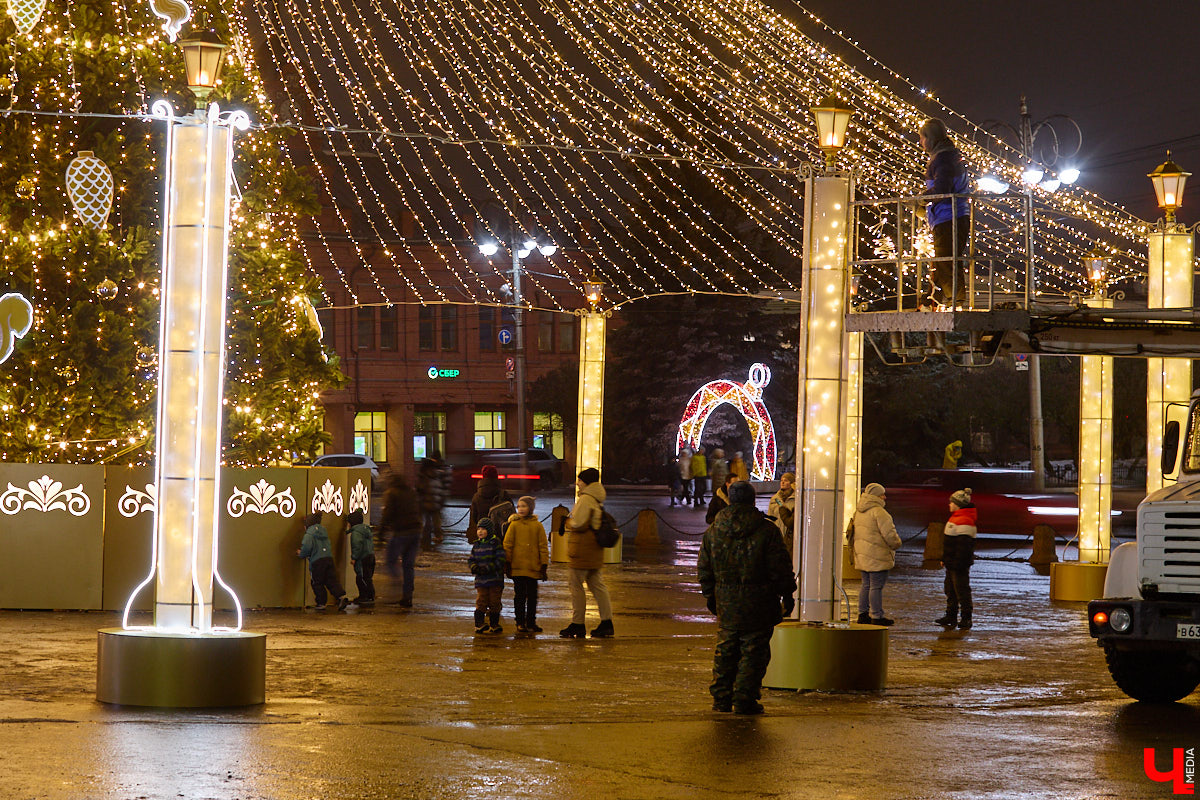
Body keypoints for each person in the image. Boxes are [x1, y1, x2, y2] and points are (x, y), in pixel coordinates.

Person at [698, 481, 797, 715]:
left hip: (726, 599)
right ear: (753, 501)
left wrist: (710, 595)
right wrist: (788, 594)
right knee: (754, 652)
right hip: (760, 601)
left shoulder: (714, 530)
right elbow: (780, 567)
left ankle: (721, 698)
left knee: (726, 649)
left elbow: (704, 568)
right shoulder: (767, 530)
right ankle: (745, 699)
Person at [920, 117, 971, 308]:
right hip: (952, 217)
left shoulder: (943, 159)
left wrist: (922, 199)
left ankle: (953, 300)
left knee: (946, 261)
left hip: (949, 218)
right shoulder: (950, 156)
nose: (921, 142)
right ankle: (934, 298)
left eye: (922, 137)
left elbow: (942, 188)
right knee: (943, 261)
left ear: (930, 138)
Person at [558, 467, 614, 638]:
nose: (577, 483)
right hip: (594, 547)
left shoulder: (586, 499)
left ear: (586, 482)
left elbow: (579, 523)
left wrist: (567, 522)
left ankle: (578, 624)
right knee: (597, 585)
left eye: (580, 480)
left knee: (575, 585)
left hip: (582, 547)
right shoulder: (597, 497)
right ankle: (607, 622)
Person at [851, 483, 902, 626]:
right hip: (877, 555)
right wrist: (897, 544)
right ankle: (877, 616)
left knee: (866, 585)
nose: (885, 497)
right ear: (876, 496)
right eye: (882, 494)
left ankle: (862, 614)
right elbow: (889, 534)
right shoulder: (879, 512)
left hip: (862, 554)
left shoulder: (859, 511)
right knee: (876, 586)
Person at [504, 495, 550, 633]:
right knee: (519, 596)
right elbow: (507, 545)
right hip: (517, 567)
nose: (521, 509)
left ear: (530, 508)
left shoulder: (537, 526)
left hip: (532, 567)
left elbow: (543, 546)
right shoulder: (514, 525)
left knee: (532, 597)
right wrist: (507, 562)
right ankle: (520, 622)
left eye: (524, 506)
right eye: (518, 506)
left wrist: (544, 565)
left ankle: (530, 622)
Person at [937, 488, 977, 630]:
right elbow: (952, 544)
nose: (949, 504)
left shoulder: (963, 520)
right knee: (951, 590)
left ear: (958, 504)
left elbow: (963, 547)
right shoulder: (958, 517)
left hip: (958, 564)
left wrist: (955, 562)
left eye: (951, 502)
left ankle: (966, 618)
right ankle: (951, 615)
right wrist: (945, 559)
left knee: (961, 591)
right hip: (952, 563)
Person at [381, 473, 422, 607]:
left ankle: (397, 585)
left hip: (401, 532)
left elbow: (387, 514)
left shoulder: (392, 493)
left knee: (391, 561)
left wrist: (381, 533)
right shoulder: (410, 492)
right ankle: (407, 595)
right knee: (408, 565)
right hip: (415, 532)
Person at [297, 512, 351, 612]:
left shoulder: (309, 534)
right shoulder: (324, 532)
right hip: (328, 559)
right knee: (331, 581)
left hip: (317, 561)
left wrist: (301, 554)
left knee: (317, 582)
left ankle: (321, 603)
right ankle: (341, 596)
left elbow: (307, 548)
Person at [468, 518, 507, 634]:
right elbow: (471, 559)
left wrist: (488, 568)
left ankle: (494, 624)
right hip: (481, 580)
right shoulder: (477, 545)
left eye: (483, 529)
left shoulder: (495, 543)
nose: (480, 531)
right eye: (478, 529)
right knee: (481, 601)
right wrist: (474, 567)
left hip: (495, 580)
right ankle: (479, 623)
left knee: (494, 602)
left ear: (489, 531)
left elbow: (500, 560)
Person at [416, 454, 451, 547]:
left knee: (425, 522)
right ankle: (438, 535)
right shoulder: (436, 475)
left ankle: (425, 538)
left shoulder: (424, 477)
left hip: (425, 502)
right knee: (436, 520)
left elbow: (420, 489)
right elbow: (440, 488)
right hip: (435, 502)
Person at [469, 464, 512, 537]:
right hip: (500, 533)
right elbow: (511, 513)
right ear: (496, 476)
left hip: (483, 533)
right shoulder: (503, 494)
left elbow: (474, 517)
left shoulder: (476, 496)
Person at [345, 509, 376, 605]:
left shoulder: (356, 533)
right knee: (368, 577)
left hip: (362, 558)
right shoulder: (366, 530)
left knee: (361, 578)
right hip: (371, 556)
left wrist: (354, 557)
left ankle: (365, 596)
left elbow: (357, 545)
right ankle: (369, 596)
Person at [767, 472, 797, 553]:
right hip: (777, 535)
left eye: (786, 480)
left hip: (790, 537)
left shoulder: (796, 499)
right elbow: (770, 517)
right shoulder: (776, 499)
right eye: (781, 480)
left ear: (792, 483)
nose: (782, 482)